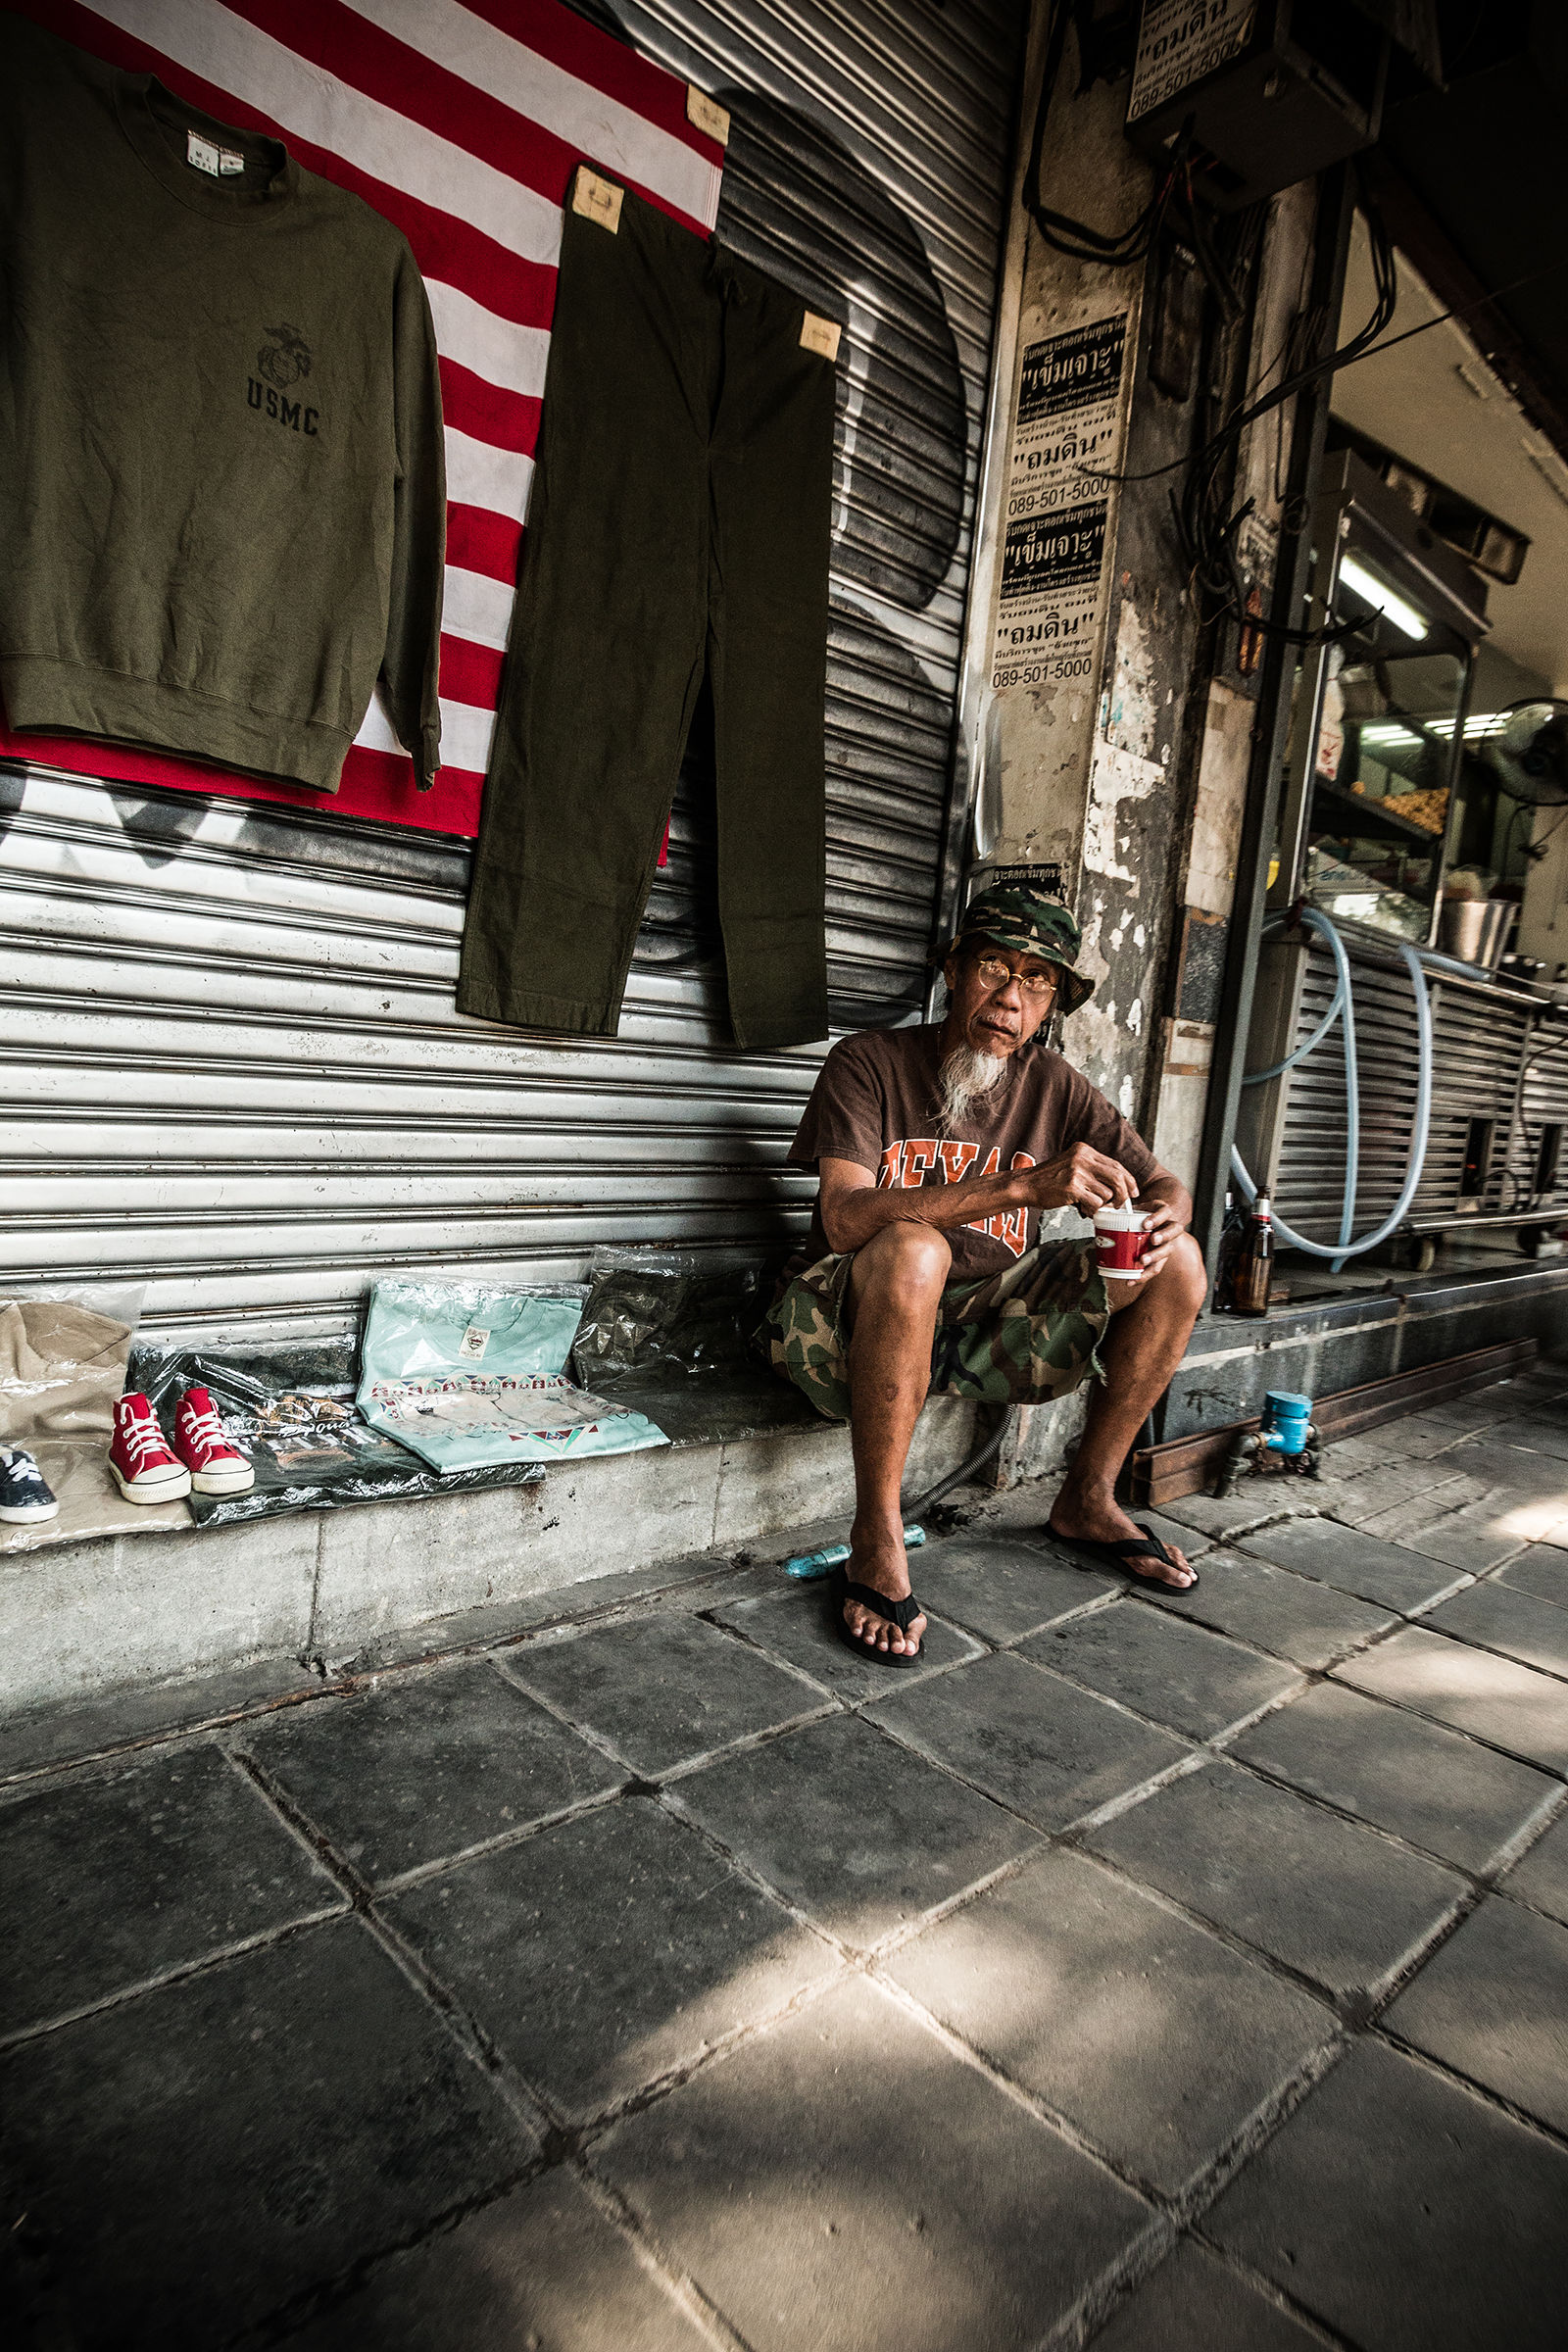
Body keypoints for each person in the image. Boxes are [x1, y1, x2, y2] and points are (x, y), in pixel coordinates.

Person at [765, 877, 1207, 1663]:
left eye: (1037, 981)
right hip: (850, 1318)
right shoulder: (868, 1060)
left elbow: (1164, 1183)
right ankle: (877, 1535)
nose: (1011, 997)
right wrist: (1020, 1188)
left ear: (1050, 1005)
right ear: (953, 971)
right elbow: (843, 1219)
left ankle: (1088, 1497)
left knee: (1182, 1263)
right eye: (994, 968)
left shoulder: (1055, 1084)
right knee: (915, 1247)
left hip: (990, 1316)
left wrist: (1167, 1211)